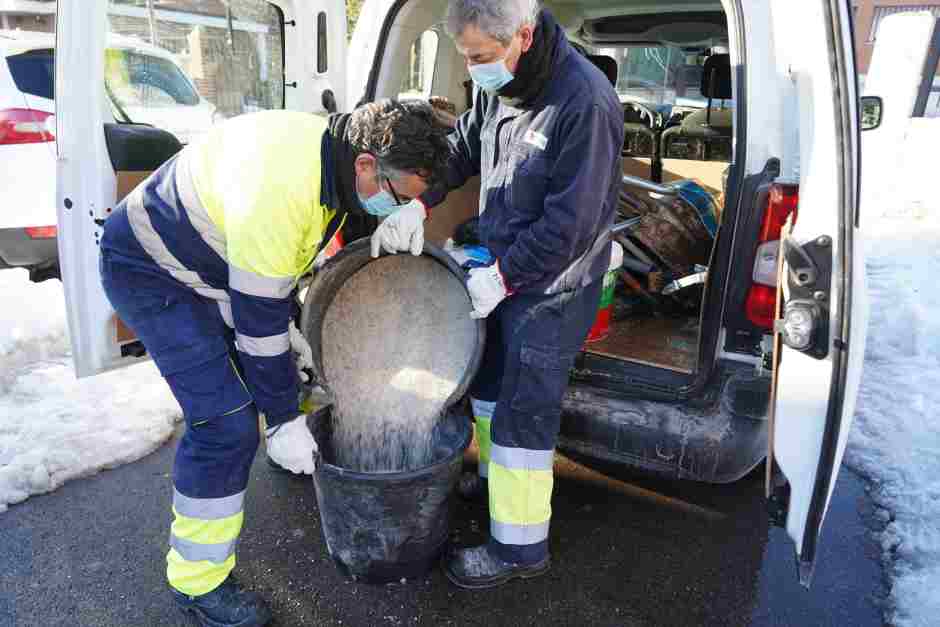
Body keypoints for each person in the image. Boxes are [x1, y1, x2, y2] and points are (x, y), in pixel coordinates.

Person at [99, 100, 449, 627]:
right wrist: (282, 419)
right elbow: (258, 325)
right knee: (226, 425)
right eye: (398, 196)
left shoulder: (338, 154)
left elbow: (275, 281)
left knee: (284, 370)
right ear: (366, 165)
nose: (395, 205)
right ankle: (199, 584)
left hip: (215, 263)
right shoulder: (283, 189)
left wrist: (401, 213)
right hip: (153, 271)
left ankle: (283, 444)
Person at [371, 0, 624, 589]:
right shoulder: (499, 84)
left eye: (481, 56)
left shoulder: (583, 103)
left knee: (520, 412)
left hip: (555, 284)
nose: (474, 66)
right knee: (485, 386)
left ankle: (518, 546)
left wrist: (506, 277)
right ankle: (489, 480)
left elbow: (572, 226)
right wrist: (419, 203)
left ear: (524, 35)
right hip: (500, 267)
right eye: (465, 54)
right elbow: (460, 150)